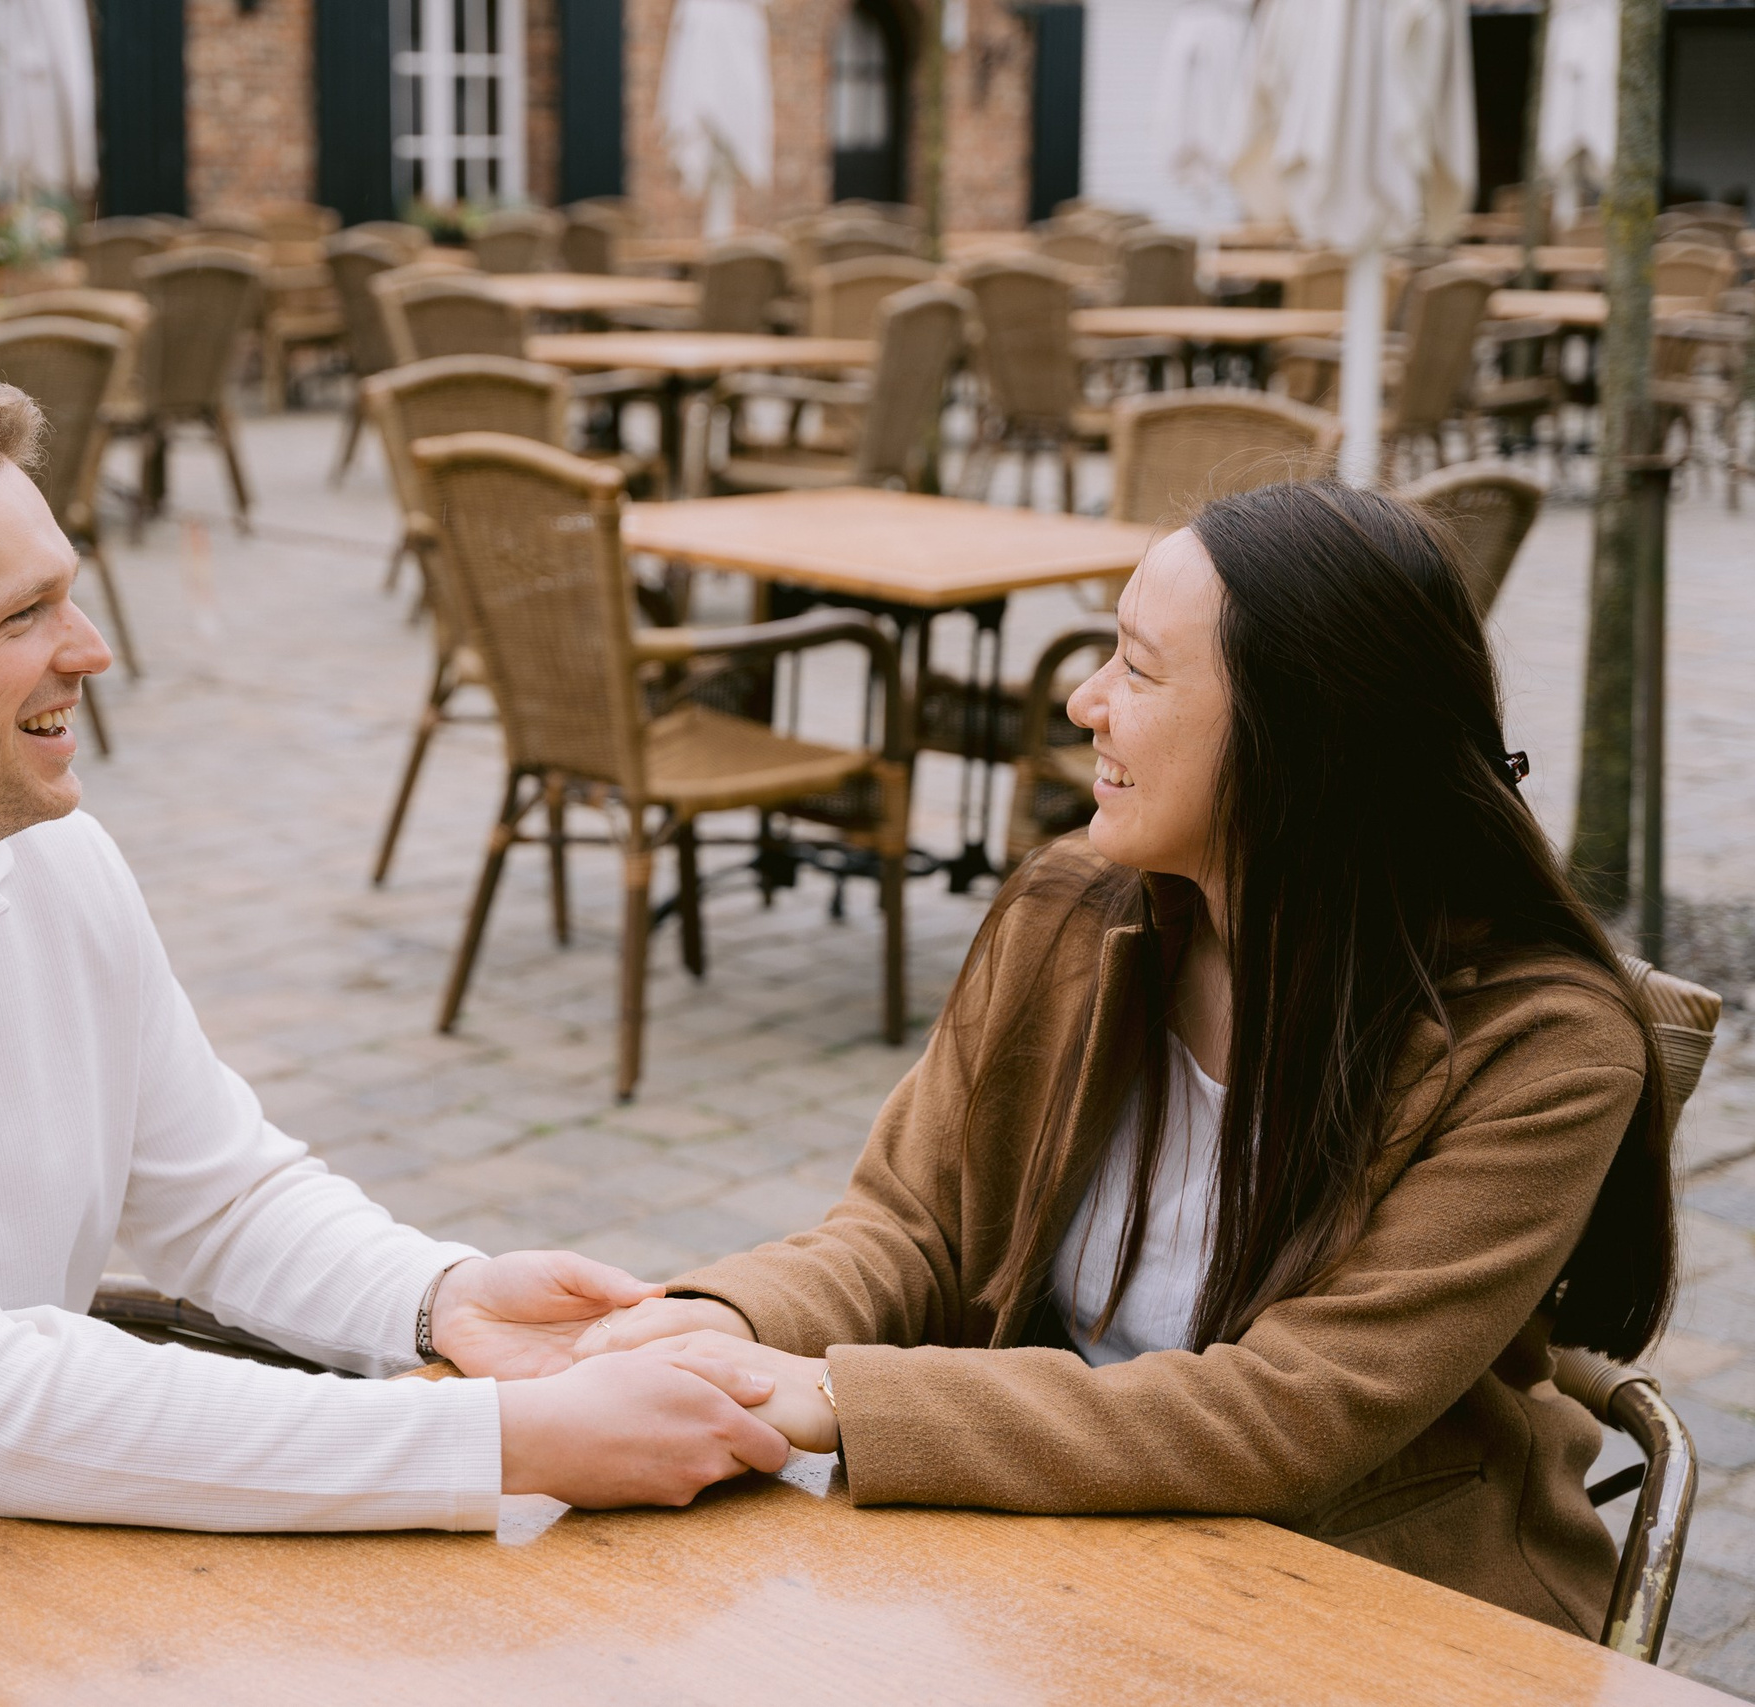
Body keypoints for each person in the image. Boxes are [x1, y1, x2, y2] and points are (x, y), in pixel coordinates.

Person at [0, 361, 787, 1661]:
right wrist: (505, 1442)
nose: (93, 647)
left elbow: (217, 1191)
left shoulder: (54, 861)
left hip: (39, 1568)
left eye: (74, 589)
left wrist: (438, 1294)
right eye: (26, 613)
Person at [577, 480, 1674, 1637]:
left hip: (1378, 1610)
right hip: (1069, 1569)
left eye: (1140, 671)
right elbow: (909, 1230)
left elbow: (1288, 1414)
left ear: (1302, 737)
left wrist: (842, 1397)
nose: (1082, 698)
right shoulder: (1070, 913)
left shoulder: (1541, 1049)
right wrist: (728, 1324)